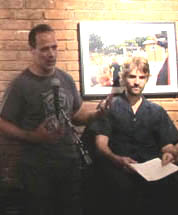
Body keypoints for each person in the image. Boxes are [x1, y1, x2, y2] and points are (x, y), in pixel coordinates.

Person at [0, 24, 99, 215]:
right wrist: (32, 136)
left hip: (69, 165)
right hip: (37, 169)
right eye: (44, 49)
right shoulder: (21, 85)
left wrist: (97, 114)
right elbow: (2, 123)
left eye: (54, 47)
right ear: (32, 50)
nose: (51, 54)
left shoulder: (66, 79)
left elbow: (76, 116)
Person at [82, 56, 178, 215]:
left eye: (142, 77)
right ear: (124, 78)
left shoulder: (156, 111)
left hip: (150, 170)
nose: (136, 82)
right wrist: (117, 160)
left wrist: (169, 153)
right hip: (118, 169)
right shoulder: (110, 106)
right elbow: (101, 145)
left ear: (147, 79)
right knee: (116, 189)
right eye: (132, 76)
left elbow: (168, 144)